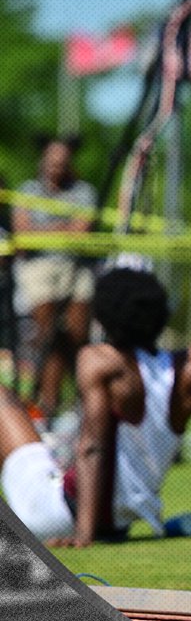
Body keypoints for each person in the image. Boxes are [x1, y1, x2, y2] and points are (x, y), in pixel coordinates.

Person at [0, 267, 191, 546]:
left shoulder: (98, 361)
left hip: (57, 512)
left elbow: (92, 447)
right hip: (118, 526)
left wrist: (84, 534)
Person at [11, 137, 96, 419]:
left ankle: (84, 402)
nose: (57, 167)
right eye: (52, 161)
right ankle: (48, 404)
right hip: (39, 270)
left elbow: (81, 232)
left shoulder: (84, 192)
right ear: (43, 162)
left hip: (76, 268)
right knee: (49, 337)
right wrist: (63, 228)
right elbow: (22, 236)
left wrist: (42, 231)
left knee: (77, 335)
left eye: (62, 161)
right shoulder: (27, 191)